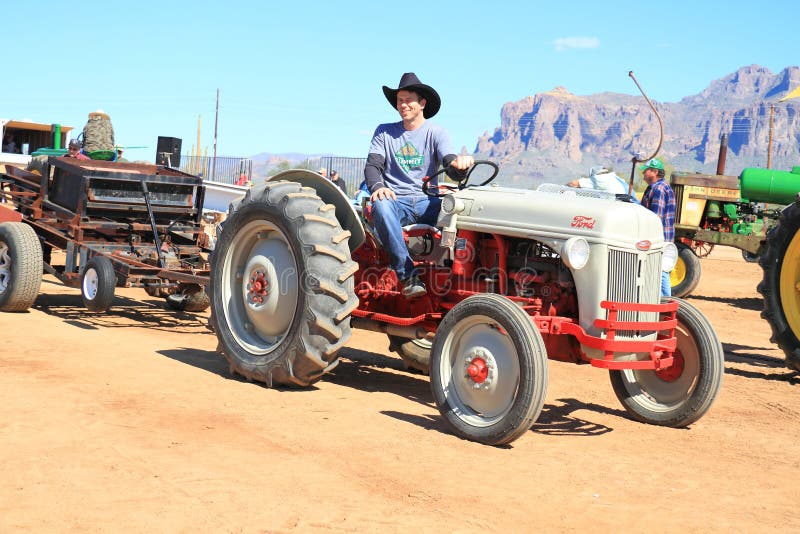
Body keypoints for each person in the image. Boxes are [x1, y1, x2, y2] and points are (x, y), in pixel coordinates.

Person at [365, 72, 474, 298]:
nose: (403, 105)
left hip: (428, 202)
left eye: (408, 100)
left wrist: (459, 164)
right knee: (382, 205)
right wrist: (378, 187)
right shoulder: (384, 132)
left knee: (466, 210)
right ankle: (408, 275)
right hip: (397, 202)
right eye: (399, 100)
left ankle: (466, 275)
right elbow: (373, 166)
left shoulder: (436, 132)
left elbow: (449, 161)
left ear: (422, 103)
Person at [640, 158, 675, 297]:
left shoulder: (659, 189)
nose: (643, 174)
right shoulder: (655, 188)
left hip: (659, 238)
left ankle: (665, 303)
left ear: (654, 172)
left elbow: (655, 218)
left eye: (646, 171)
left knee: (660, 271)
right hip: (661, 237)